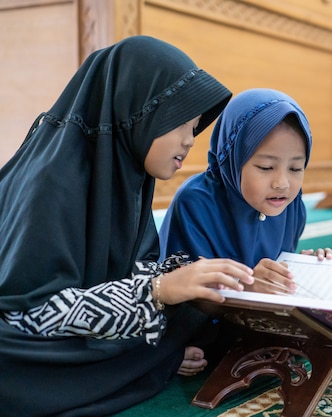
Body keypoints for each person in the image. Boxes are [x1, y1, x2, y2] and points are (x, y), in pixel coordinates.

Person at [0, 36, 256, 417]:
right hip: (20, 331)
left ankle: (142, 357)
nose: (189, 141)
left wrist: (188, 282)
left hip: (73, 327)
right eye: (180, 124)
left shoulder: (124, 171)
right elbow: (32, 312)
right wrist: (158, 290)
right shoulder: (53, 182)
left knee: (195, 316)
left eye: (194, 126)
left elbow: (122, 274)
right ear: (139, 113)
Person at [159, 88, 332, 295]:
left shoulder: (291, 204)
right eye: (265, 167)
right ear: (233, 159)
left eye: (295, 169)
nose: (282, 184)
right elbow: (181, 298)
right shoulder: (196, 203)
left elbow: (275, 277)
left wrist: (300, 268)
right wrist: (244, 286)